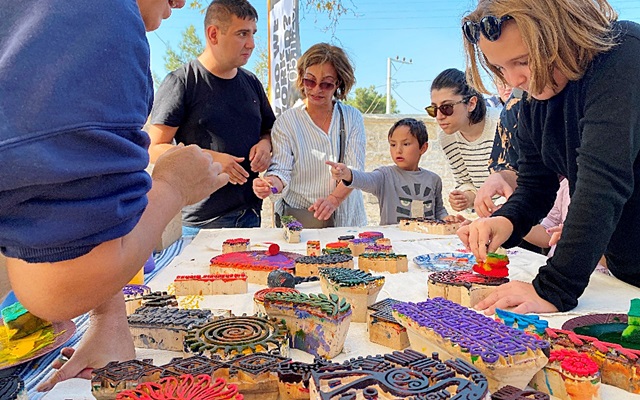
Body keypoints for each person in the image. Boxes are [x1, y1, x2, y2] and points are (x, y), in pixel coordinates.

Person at [0, 0, 229, 392]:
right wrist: (174, 186)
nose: (182, 2)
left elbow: (85, 206)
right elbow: (60, 284)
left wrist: (109, 320)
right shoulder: (97, 15)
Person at [458, 0, 640, 314]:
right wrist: (506, 221)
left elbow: (602, 185)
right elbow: (534, 186)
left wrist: (553, 288)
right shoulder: (537, 97)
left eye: (523, 61)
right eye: (501, 68)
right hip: (625, 278)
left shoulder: (622, 53)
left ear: (562, 32)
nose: (514, 80)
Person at [148, 0, 275, 230]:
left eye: (253, 34)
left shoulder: (252, 82)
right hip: (199, 225)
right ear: (214, 34)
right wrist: (213, 159)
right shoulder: (183, 81)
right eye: (242, 34)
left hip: (250, 217)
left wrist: (265, 146)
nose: (252, 44)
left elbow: (269, 131)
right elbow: (154, 148)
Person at [253, 43, 367, 228]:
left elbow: (355, 171)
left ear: (338, 84)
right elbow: (281, 170)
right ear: (301, 78)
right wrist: (270, 185)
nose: (316, 89)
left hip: (347, 221)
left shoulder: (352, 117)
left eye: (326, 84)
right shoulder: (286, 122)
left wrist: (333, 200)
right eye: (310, 81)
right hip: (301, 224)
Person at [326, 118, 455, 226]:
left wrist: (446, 219)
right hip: (394, 245)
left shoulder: (434, 179)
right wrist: (347, 174)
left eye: (406, 144)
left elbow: (438, 210)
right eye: (393, 145)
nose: (398, 150)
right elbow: (365, 179)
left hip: (426, 242)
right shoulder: (385, 176)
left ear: (423, 148)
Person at [428, 68, 500, 212]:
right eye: (433, 109)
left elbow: (521, 181)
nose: (439, 116)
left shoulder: (502, 124)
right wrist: (465, 198)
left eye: (446, 108)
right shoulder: (447, 137)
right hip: (486, 216)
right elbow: (466, 182)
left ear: (471, 103)